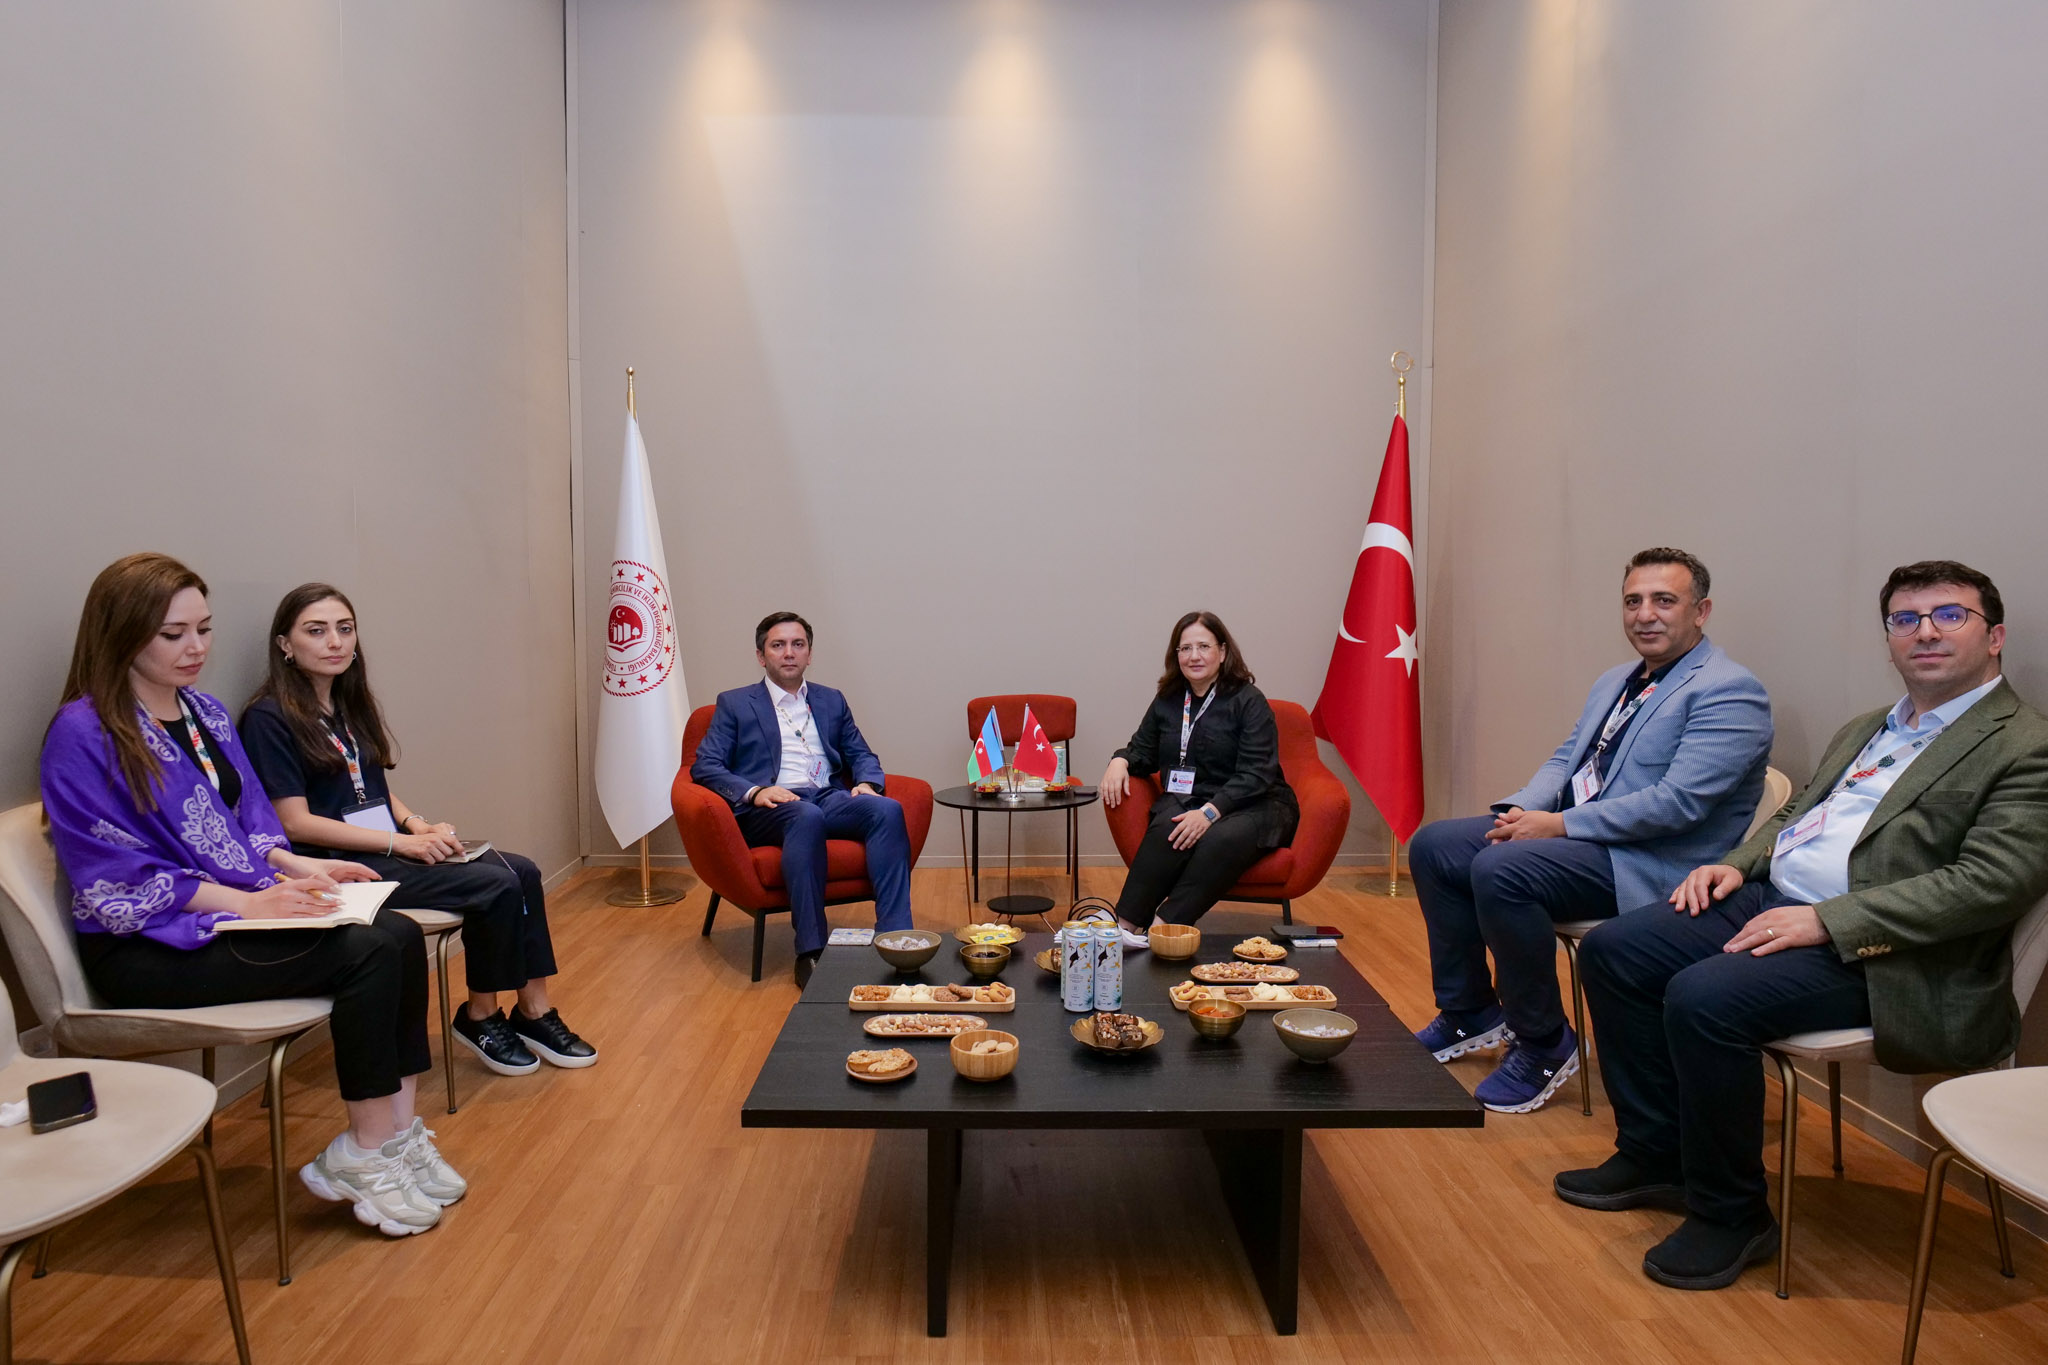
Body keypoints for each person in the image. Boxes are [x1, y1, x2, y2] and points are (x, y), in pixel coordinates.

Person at [1557, 560, 2048, 1291]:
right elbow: (1797, 815)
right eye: (1906, 620)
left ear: (1995, 636)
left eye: (1949, 615)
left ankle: (1733, 1212)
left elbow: (1988, 884)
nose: (1925, 633)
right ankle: (1657, 1153)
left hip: (1889, 952)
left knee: (1704, 996)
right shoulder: (1869, 726)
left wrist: (1829, 920)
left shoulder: (2023, 747)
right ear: (1890, 639)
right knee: (1615, 949)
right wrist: (1738, 862)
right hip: (1775, 899)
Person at [40, 554, 460, 1238]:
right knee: (366, 954)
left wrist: (300, 871)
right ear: (120, 633)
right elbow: (108, 872)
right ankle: (363, 1148)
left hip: (238, 916)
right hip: (149, 945)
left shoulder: (204, 711)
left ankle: (393, 1138)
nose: (196, 648)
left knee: (402, 933)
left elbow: (254, 825)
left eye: (203, 629)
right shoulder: (83, 732)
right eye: (173, 634)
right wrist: (249, 905)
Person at [1408, 548, 1773, 1114]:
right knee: (1436, 845)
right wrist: (1518, 812)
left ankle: (1544, 1042)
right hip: (1582, 839)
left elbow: (1679, 804)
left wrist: (1555, 826)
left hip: (1653, 860)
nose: (1645, 614)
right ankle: (1469, 1011)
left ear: (1701, 611)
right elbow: (1567, 762)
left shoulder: (1729, 691)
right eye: (1633, 601)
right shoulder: (1616, 681)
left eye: (1663, 601)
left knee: (1502, 869)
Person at [240, 583, 596, 1077]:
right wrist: (399, 841)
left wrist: (415, 823)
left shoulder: (346, 704)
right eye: (316, 631)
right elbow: (292, 821)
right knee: (494, 884)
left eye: (345, 629)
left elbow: (374, 787)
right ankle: (480, 1015)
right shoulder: (268, 718)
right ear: (285, 644)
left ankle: (534, 1010)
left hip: (389, 845)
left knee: (524, 870)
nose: (335, 642)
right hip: (334, 865)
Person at [690, 612, 913, 987]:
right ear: (762, 656)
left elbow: (861, 754)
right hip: (771, 806)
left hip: (827, 795)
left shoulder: (831, 699)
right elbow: (705, 765)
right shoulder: (735, 703)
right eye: (778, 645)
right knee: (804, 815)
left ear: (809, 654)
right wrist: (756, 791)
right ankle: (811, 951)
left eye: (798, 645)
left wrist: (868, 783)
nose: (789, 653)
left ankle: (897, 940)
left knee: (887, 810)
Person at [1100, 611, 1298, 939]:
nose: (1194, 656)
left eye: (1203, 646)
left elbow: (1256, 774)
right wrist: (1119, 761)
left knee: (1220, 837)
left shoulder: (1249, 701)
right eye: (1185, 648)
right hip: (1192, 797)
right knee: (1168, 825)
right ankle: (1125, 927)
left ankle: (1164, 929)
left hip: (1258, 803)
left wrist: (1208, 814)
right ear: (1175, 655)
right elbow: (1142, 751)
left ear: (1222, 652)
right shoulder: (1168, 699)